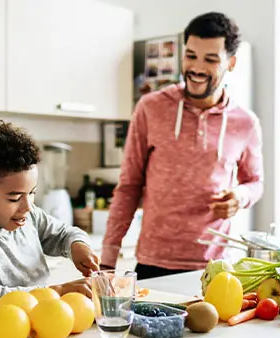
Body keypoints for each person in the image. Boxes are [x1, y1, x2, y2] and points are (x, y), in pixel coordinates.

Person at [101, 12, 264, 280]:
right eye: (190, 56)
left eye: (210, 59)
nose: (196, 68)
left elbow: (255, 182)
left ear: (231, 63)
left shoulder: (245, 123)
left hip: (214, 267)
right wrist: (107, 261)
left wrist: (239, 197)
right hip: (152, 264)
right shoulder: (151, 108)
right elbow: (128, 186)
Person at [0, 119, 100, 309]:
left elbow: (63, 234)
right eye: (14, 198)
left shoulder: (30, 216)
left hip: (39, 326)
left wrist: (77, 245)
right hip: (0, 334)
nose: (28, 206)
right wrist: (57, 292)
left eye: (32, 193)